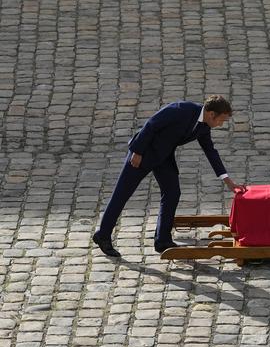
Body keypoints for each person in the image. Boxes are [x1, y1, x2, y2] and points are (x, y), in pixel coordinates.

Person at [93, 95, 245, 257]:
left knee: (172, 192)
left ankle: (162, 240)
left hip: (163, 157)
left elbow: (210, 151)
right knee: (122, 194)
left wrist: (228, 181)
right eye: (221, 120)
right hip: (143, 153)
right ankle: (103, 235)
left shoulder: (204, 126)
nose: (220, 124)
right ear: (211, 114)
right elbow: (151, 125)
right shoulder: (181, 110)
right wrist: (137, 152)